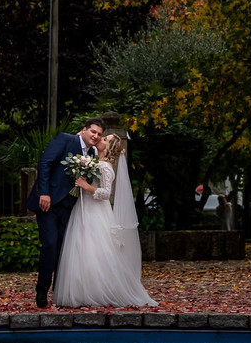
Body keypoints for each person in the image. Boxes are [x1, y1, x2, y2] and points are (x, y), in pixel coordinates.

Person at [53, 133, 157, 308]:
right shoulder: (94, 158)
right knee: (81, 248)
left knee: (96, 249)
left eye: (104, 139)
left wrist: (86, 186)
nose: (99, 139)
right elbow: (85, 143)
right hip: (83, 208)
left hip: (97, 212)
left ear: (108, 147)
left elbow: (106, 193)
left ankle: (99, 291)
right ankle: (82, 291)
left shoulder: (106, 167)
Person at [26, 117, 104, 308]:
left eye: (99, 134)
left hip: (71, 207)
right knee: (50, 245)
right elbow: (45, 163)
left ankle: (60, 293)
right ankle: (42, 292)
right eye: (93, 131)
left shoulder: (93, 153)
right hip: (49, 203)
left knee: (64, 250)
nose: (95, 136)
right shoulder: (65, 139)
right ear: (84, 130)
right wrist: (43, 192)